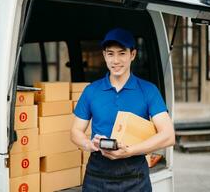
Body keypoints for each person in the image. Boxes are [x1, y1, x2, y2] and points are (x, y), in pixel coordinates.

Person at [70, 28, 175, 191]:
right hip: (97, 175)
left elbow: (168, 136)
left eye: (122, 53)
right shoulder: (91, 90)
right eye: (110, 54)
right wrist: (88, 144)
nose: (116, 60)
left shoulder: (148, 90)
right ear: (104, 55)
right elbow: (75, 131)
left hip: (135, 176)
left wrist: (129, 151)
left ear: (132, 55)